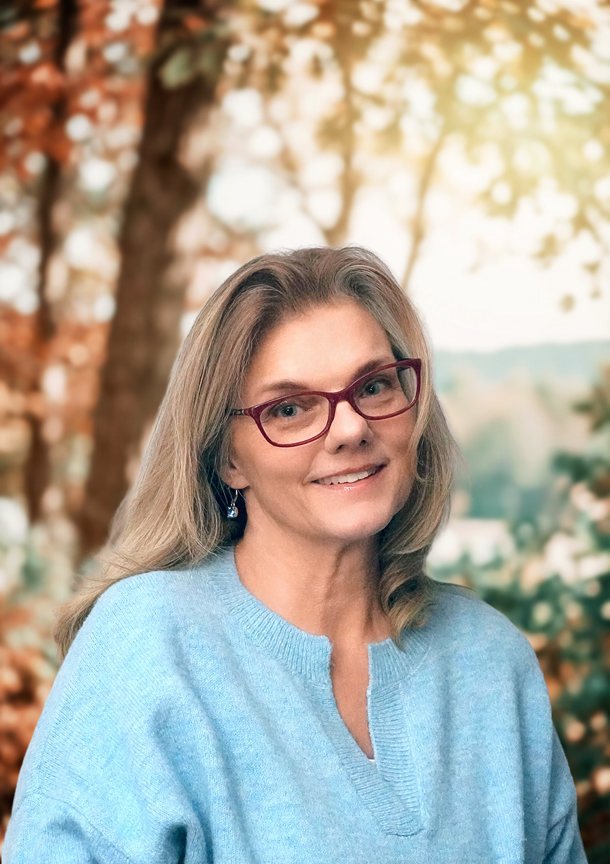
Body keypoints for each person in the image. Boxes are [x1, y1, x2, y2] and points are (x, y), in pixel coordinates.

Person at [4, 246, 586, 863]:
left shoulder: (492, 662)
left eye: (375, 385)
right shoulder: (146, 647)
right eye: (288, 408)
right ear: (228, 458)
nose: (350, 428)